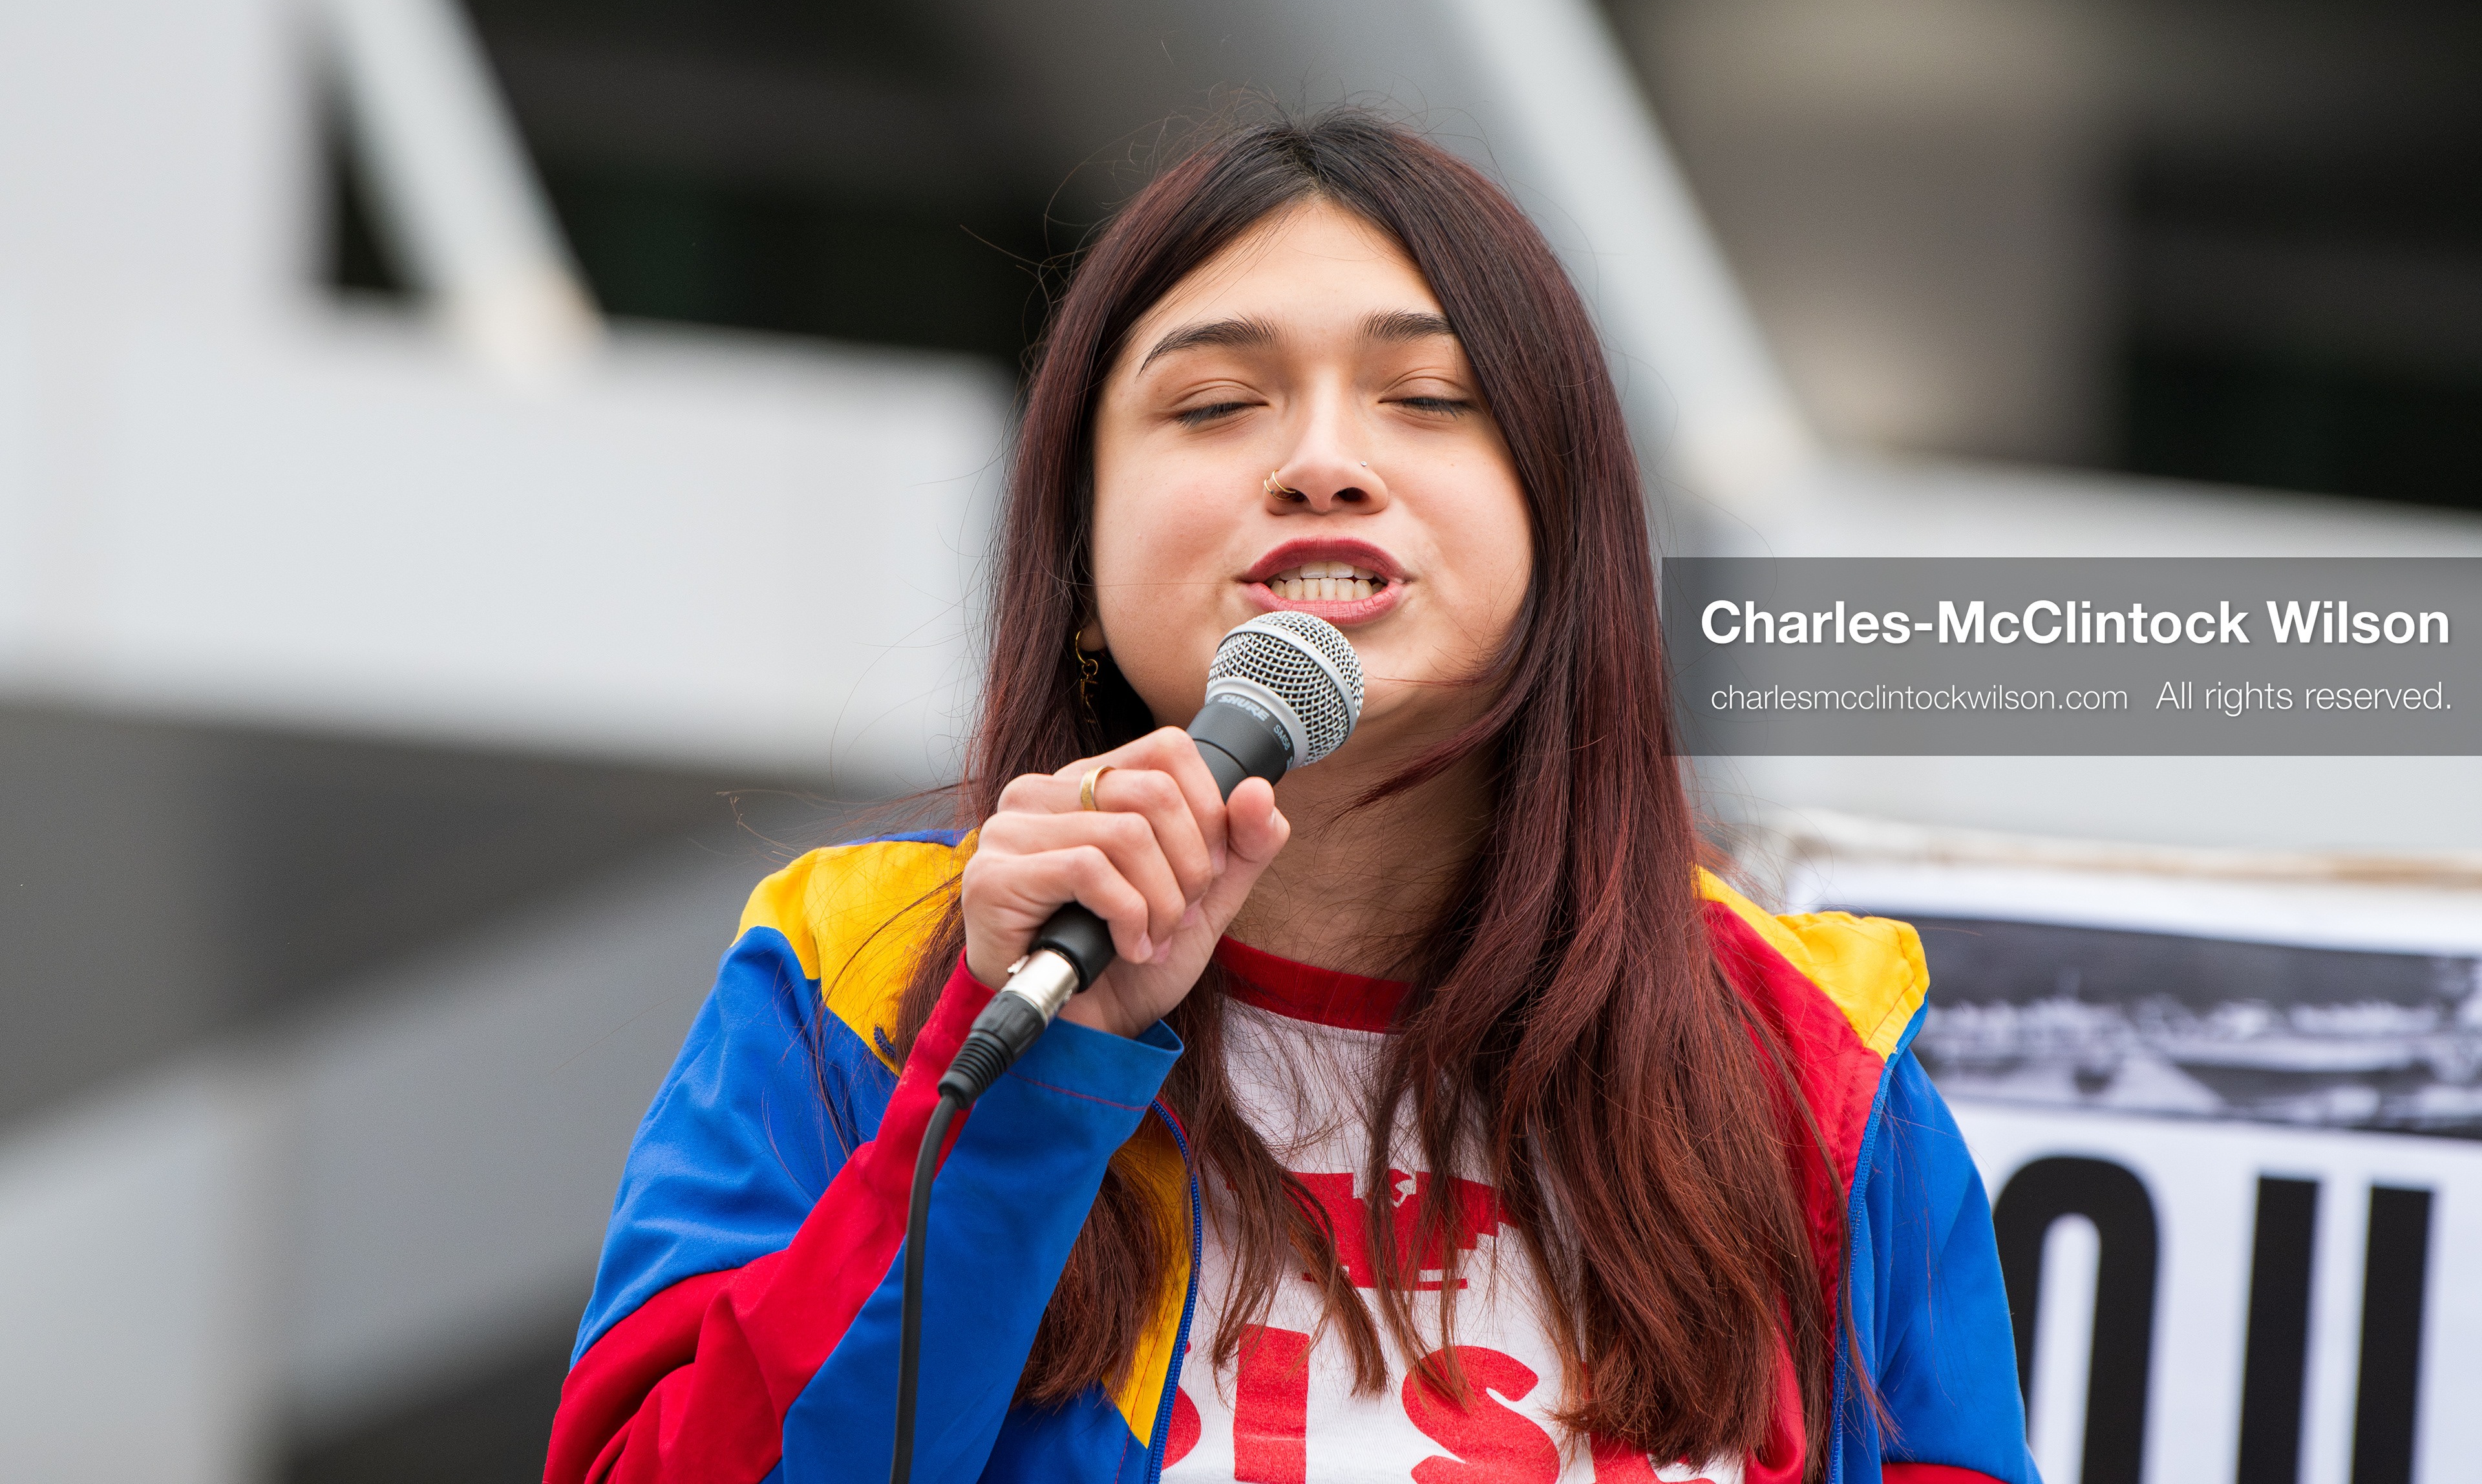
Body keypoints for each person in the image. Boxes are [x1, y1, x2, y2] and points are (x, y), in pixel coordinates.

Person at [543, 110, 2034, 1484]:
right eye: (1214, 405)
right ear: (1077, 558)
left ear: (1564, 537)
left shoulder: (1814, 1066)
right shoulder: (851, 978)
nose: (1324, 461)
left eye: (1430, 396)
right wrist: (1018, 1071)